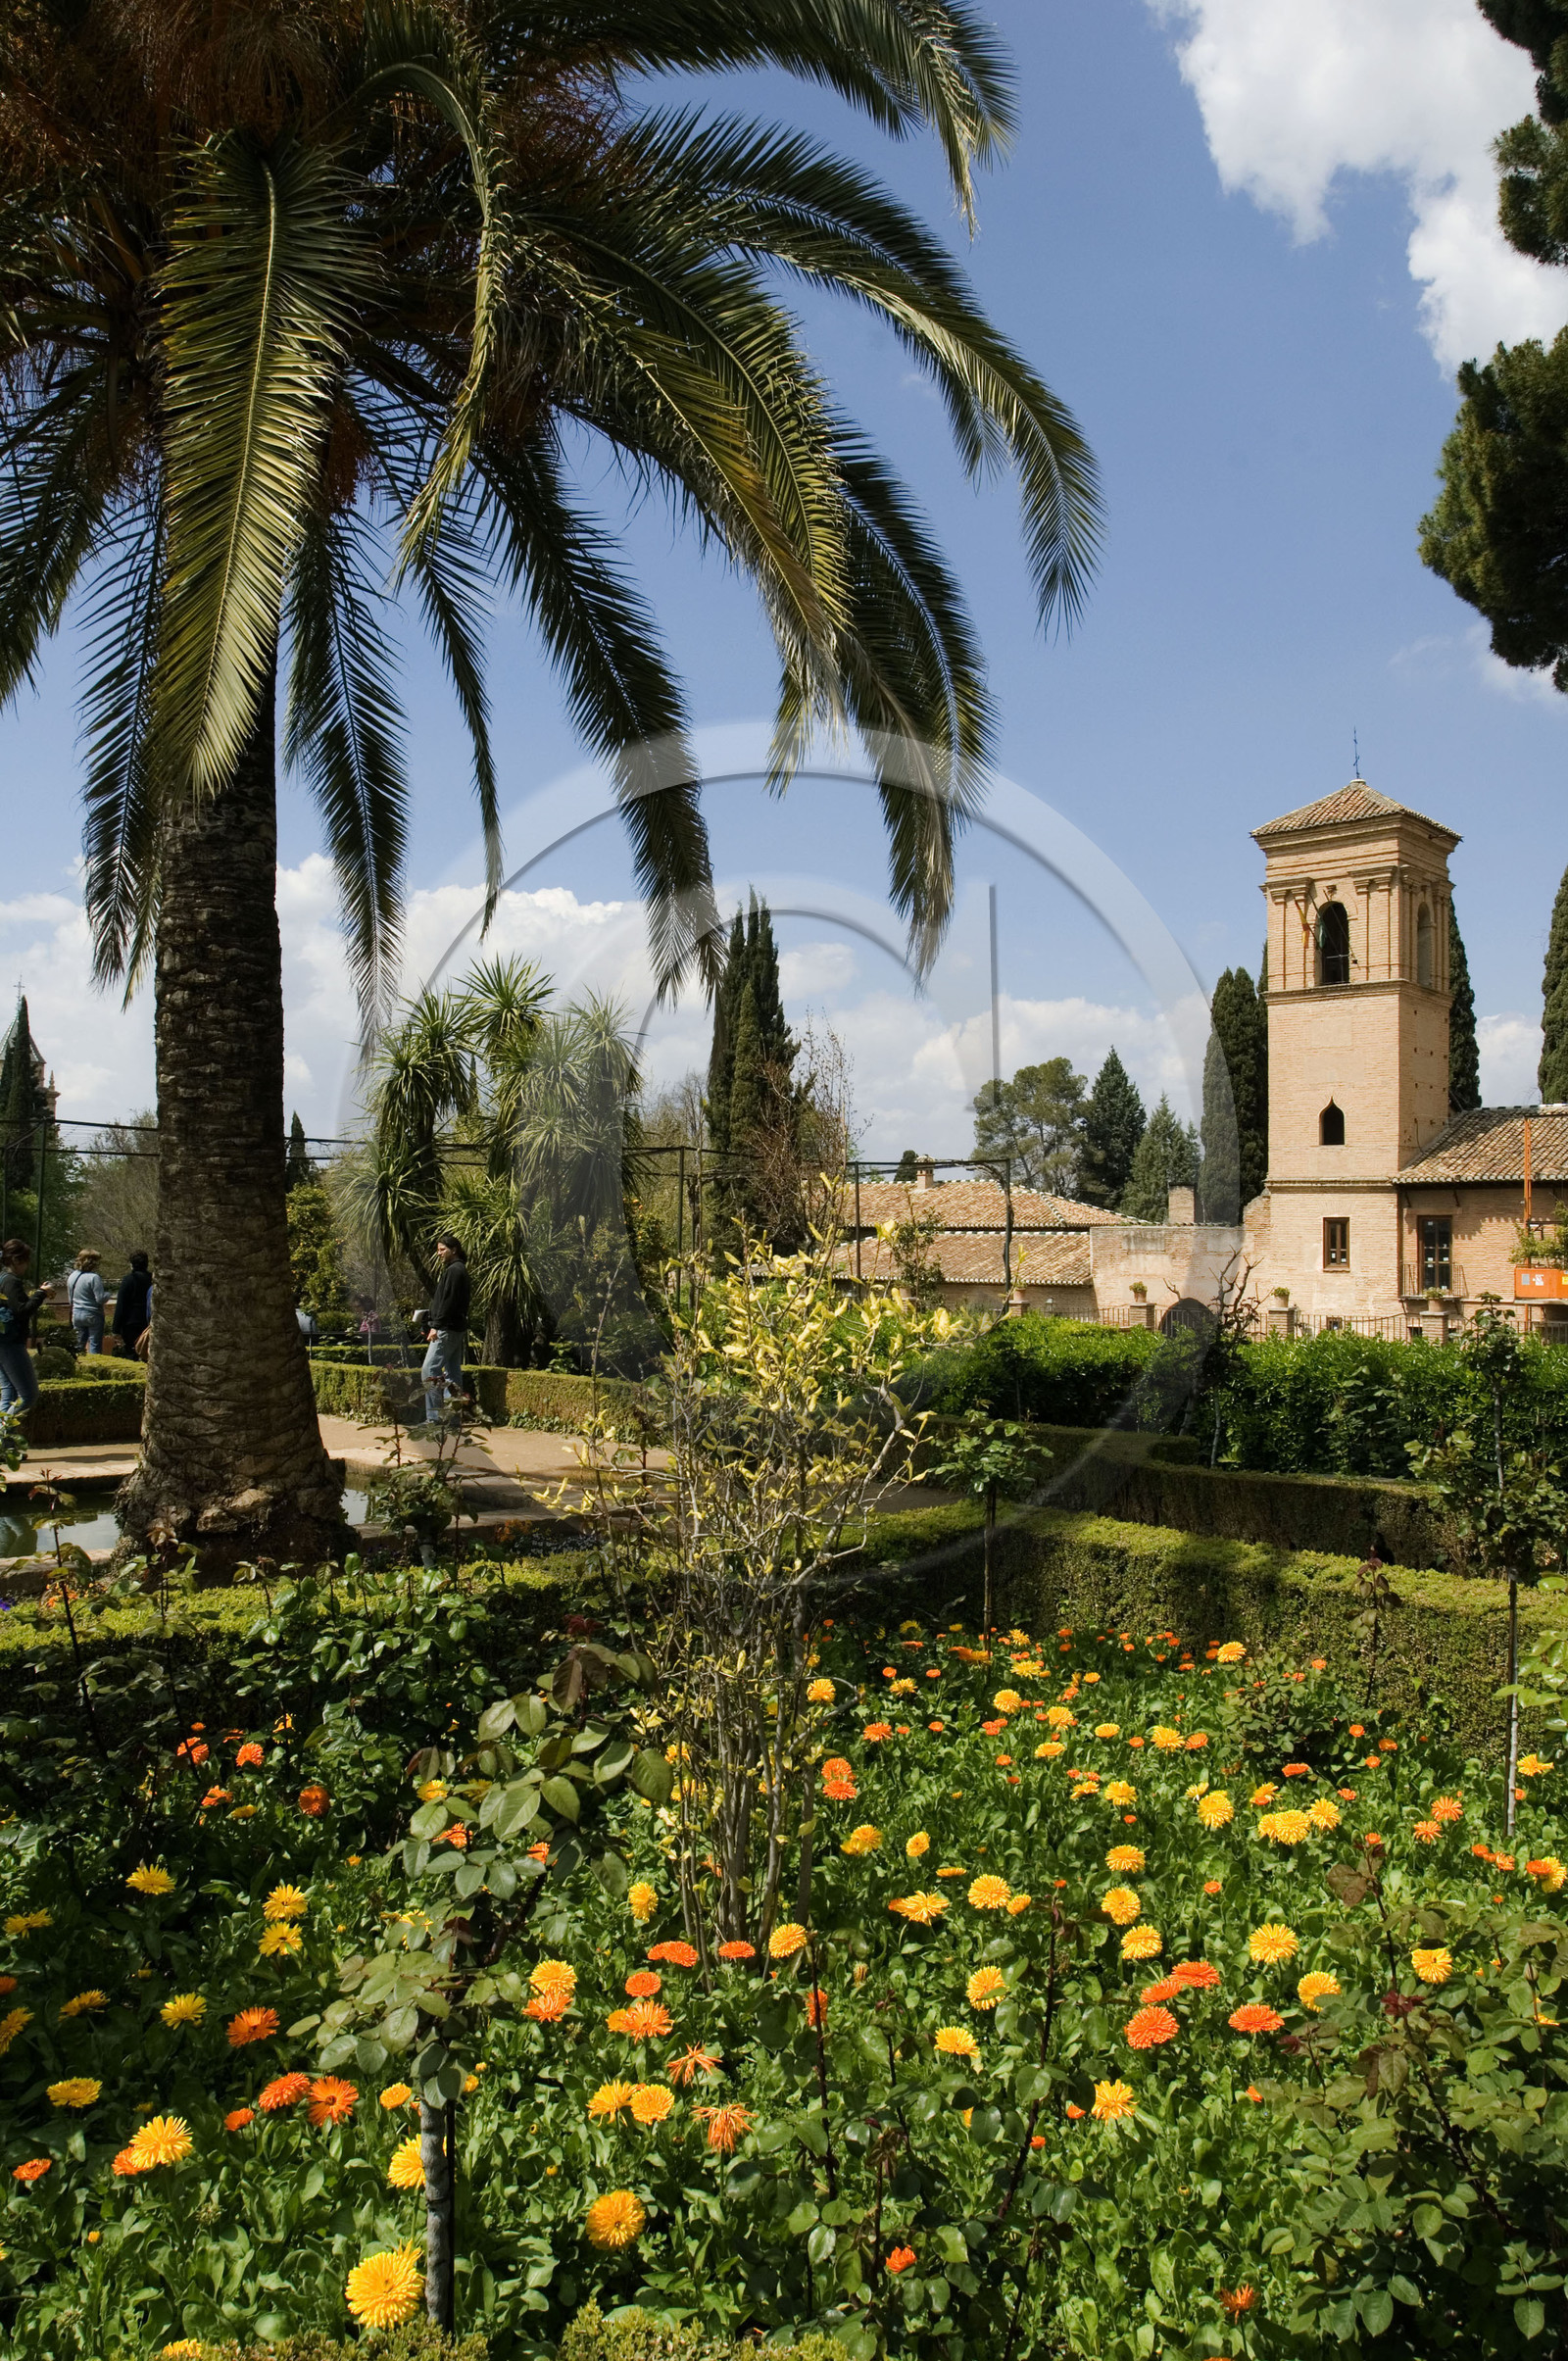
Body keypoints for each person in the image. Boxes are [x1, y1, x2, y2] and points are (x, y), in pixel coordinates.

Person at [0, 1239, 54, 1416]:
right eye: (26, 1260)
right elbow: (22, 1310)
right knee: (28, 1395)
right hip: (11, 1343)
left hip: (3, 1341)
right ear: (16, 1260)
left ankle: (5, 1441)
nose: (28, 1264)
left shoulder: (2, 1278)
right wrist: (41, 1294)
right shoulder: (11, 1281)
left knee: (9, 1394)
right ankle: (2, 1433)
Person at [421, 1233, 470, 1423]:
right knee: (452, 1373)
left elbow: (447, 1303)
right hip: (454, 1328)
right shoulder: (459, 1270)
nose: (439, 1253)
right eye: (438, 1250)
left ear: (454, 1250)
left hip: (447, 1329)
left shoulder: (454, 1271)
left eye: (442, 1250)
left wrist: (436, 1326)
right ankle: (453, 1419)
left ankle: (434, 1418)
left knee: (429, 1370)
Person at [66, 1248, 107, 1353]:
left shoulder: (72, 1276)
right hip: (93, 1314)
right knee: (94, 1344)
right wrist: (108, 1295)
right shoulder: (94, 1277)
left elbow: (70, 1299)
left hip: (76, 1313)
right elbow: (100, 1299)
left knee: (78, 1344)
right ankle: (94, 1366)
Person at [112, 1251, 151, 1355]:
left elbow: (121, 1304)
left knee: (132, 1351)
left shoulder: (129, 1280)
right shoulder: (152, 1279)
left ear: (131, 1264)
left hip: (131, 1321)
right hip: (148, 1320)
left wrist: (116, 1328)